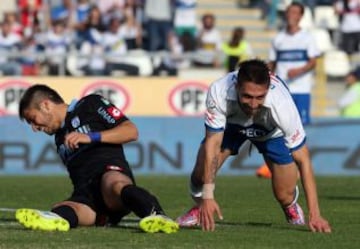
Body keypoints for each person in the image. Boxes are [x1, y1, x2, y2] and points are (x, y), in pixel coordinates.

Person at [176, 59, 332, 233]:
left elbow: (303, 160)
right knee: (200, 175)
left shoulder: (282, 105)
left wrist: (315, 214)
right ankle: (201, 208)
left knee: (284, 194)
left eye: (260, 97)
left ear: (267, 89)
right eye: (247, 96)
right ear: (236, 87)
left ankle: (290, 206)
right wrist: (207, 195)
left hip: (272, 132)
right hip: (232, 127)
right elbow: (213, 144)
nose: (253, 104)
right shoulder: (219, 90)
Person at [16, 84, 179, 234]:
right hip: (87, 195)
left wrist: (91, 137)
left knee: (114, 184)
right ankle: (55, 219)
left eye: (33, 119)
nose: (34, 128)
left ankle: (157, 215)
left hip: (110, 176)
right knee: (63, 208)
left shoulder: (91, 104)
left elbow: (131, 131)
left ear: (46, 105)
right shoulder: (59, 139)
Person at [257, 1, 320, 179]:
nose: (291, 15)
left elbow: (313, 61)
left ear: (300, 16)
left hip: (301, 89)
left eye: (295, 12)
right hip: (282, 91)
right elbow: (272, 64)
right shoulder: (278, 38)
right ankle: (276, 164)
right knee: (277, 126)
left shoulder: (307, 38)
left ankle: (299, 165)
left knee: (299, 128)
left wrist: (299, 71)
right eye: (289, 11)